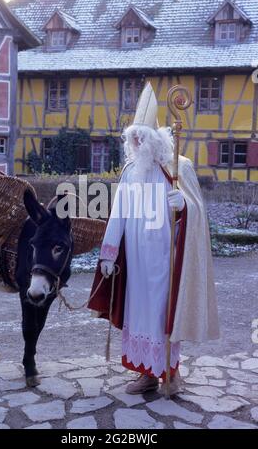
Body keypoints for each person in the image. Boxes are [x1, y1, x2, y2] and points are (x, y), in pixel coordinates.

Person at [88, 82, 219, 395]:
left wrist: (184, 205)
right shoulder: (131, 171)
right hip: (135, 259)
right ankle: (145, 374)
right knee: (138, 312)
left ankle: (169, 374)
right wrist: (108, 254)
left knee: (163, 314)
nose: (136, 141)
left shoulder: (177, 167)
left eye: (141, 136)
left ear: (154, 137)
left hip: (166, 259)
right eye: (133, 136)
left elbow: (197, 215)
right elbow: (118, 212)